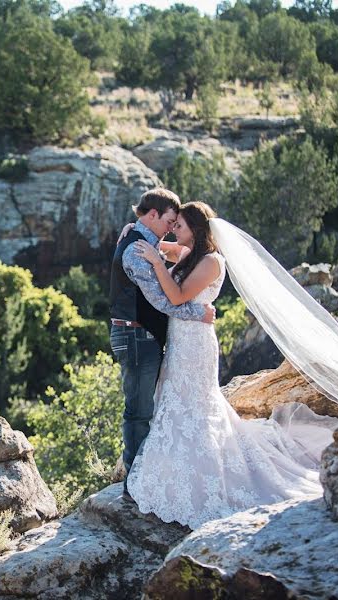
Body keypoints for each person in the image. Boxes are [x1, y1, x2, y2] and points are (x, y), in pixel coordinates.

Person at [123, 201, 338, 528]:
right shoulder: (188, 253)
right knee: (177, 402)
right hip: (183, 339)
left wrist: (155, 262)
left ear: (196, 231)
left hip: (196, 344)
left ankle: (205, 470)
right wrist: (139, 234)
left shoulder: (212, 261)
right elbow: (168, 248)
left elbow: (177, 295)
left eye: (179, 226)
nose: (173, 232)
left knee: (197, 404)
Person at [108, 188, 214, 499]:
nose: (170, 227)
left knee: (149, 408)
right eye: (169, 220)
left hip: (143, 336)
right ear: (153, 215)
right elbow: (162, 301)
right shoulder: (136, 251)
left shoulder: (144, 241)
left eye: (177, 223)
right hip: (136, 336)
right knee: (139, 412)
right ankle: (135, 484)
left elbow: (174, 251)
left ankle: (148, 476)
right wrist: (200, 313)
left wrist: (132, 227)